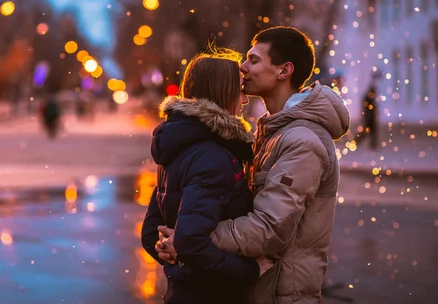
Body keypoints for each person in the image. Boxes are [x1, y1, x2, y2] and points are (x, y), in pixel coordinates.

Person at [156, 26, 351, 304]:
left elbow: (270, 228)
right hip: (258, 289)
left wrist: (188, 239)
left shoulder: (302, 140)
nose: (243, 68)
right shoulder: (272, 130)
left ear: (284, 71)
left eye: (254, 60)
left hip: (281, 293)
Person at [141, 48, 261, 303]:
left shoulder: (179, 145)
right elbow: (191, 241)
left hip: (180, 291)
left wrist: (174, 257)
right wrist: (250, 271)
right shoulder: (213, 156)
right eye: (240, 90)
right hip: (212, 294)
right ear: (222, 93)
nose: (245, 100)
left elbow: (151, 233)